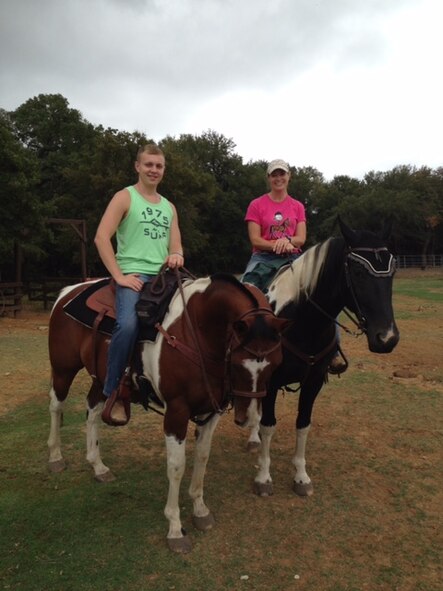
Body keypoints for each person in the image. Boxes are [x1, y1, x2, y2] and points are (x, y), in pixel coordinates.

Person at [94, 143, 184, 426]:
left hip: (163, 279)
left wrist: (176, 255)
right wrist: (119, 276)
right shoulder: (125, 197)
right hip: (133, 277)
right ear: (138, 167)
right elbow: (101, 237)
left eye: (158, 166)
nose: (153, 170)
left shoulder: (169, 207)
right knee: (129, 325)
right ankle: (114, 390)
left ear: (164, 170)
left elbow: (177, 247)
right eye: (148, 165)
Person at [241, 158, 346, 374]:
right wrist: (275, 244)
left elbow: (301, 238)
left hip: (293, 258)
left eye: (282, 174)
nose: (278, 178)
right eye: (274, 174)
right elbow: (255, 240)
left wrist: (287, 243)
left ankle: (334, 350)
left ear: (289, 177)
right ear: (269, 178)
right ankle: (240, 346)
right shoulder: (257, 204)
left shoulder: (297, 206)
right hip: (263, 258)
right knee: (245, 293)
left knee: (323, 293)